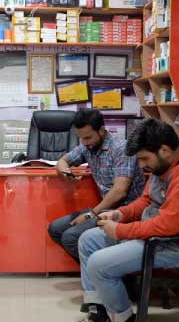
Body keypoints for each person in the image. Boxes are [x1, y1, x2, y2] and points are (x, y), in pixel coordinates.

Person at [57, 119, 179, 322]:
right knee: (88, 240)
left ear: (164, 150)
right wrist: (120, 214)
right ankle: (99, 320)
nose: (143, 165)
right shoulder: (163, 165)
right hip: (157, 238)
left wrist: (121, 231)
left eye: (145, 158)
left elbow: (169, 226)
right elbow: (146, 201)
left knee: (99, 264)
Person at [48, 109, 145, 264]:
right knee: (55, 229)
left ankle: (106, 270)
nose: (85, 142)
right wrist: (65, 171)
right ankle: (98, 270)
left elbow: (119, 191)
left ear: (101, 130)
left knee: (70, 237)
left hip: (126, 211)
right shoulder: (88, 147)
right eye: (81, 138)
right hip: (104, 209)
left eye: (88, 137)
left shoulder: (121, 149)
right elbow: (62, 161)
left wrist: (90, 215)